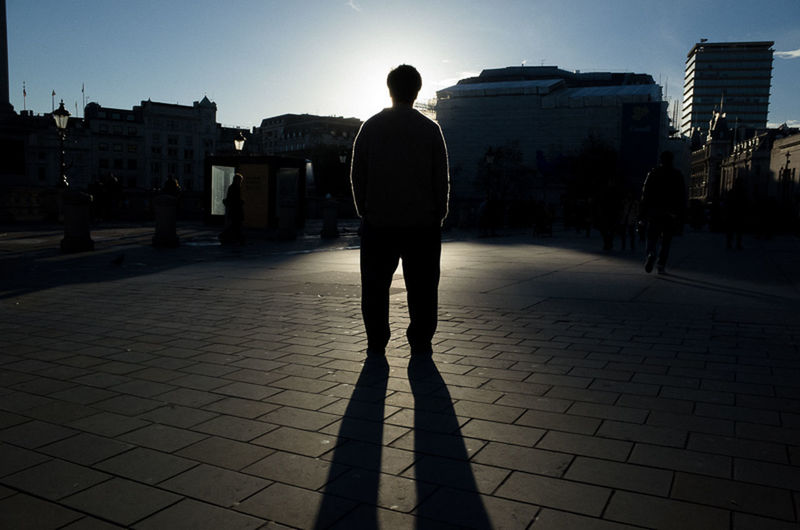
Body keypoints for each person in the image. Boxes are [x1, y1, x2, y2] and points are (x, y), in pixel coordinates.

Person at [350, 64, 449, 358]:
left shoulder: (370, 127)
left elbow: (357, 174)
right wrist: (438, 214)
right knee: (423, 287)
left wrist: (364, 210)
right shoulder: (430, 129)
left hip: (378, 222)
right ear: (417, 91)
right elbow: (440, 177)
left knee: (375, 287)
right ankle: (420, 341)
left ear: (389, 89)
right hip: (422, 225)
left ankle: (376, 342)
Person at [640, 151, 686, 274]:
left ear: (661, 160)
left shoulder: (653, 173)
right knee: (666, 240)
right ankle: (661, 264)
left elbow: (645, 194)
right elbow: (682, 196)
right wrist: (680, 214)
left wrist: (643, 213)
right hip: (670, 213)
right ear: (672, 160)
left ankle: (651, 254)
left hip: (654, 211)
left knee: (651, 237)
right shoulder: (677, 175)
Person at [219, 173, 245, 244]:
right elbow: (235, 199)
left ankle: (236, 238)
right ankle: (237, 238)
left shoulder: (231, 187)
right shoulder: (236, 188)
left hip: (233, 209)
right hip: (236, 210)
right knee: (236, 225)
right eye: (240, 180)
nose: (241, 182)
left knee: (234, 225)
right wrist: (241, 202)